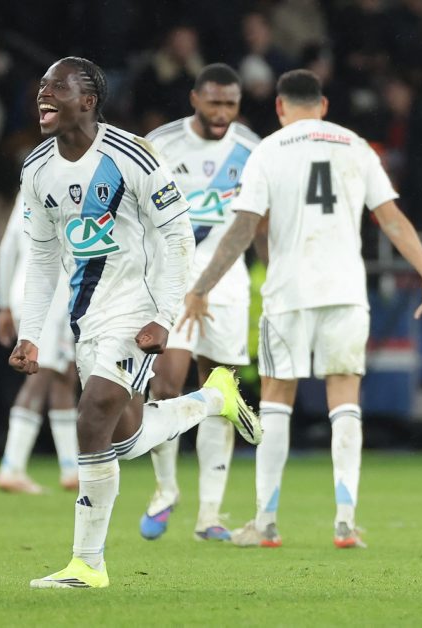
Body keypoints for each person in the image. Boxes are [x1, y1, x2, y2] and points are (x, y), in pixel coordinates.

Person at [10, 57, 262, 589]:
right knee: (124, 438)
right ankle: (213, 399)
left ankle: (87, 564)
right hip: (86, 315)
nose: (43, 95)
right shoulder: (36, 168)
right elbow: (42, 255)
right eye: (41, 87)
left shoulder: (134, 155)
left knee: (92, 415)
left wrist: (164, 317)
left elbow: (178, 236)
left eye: (57, 88)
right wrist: (30, 332)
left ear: (88, 100)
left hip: (136, 305)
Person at [179, 69, 422, 549]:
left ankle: (266, 522)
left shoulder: (268, 150)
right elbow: (391, 220)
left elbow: (243, 228)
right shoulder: (356, 146)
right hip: (345, 291)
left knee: (276, 399)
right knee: (344, 399)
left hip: (288, 293)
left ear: (280, 107)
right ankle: (345, 520)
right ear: (323, 106)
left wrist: (201, 287)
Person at [137, 63, 261, 542]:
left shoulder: (251, 149)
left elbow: (256, 220)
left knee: (220, 392)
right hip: (172, 280)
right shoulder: (160, 144)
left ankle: (209, 514)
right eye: (214, 102)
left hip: (227, 284)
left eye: (230, 103)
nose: (222, 112)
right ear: (195, 99)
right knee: (166, 383)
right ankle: (165, 489)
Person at [0, 192, 79, 494]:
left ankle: (71, 468)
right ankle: (11, 467)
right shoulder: (68, 187)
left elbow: (7, 249)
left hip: (27, 292)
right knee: (39, 376)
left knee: (64, 377)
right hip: (49, 297)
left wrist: (5, 304)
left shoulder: (27, 191)